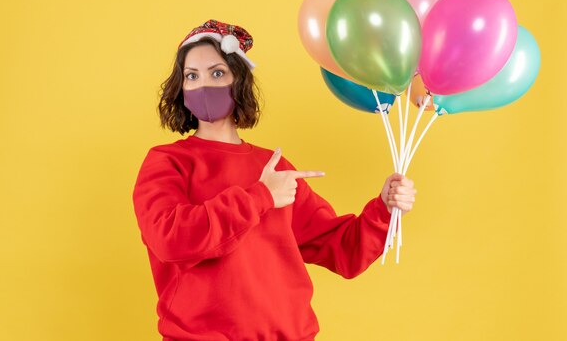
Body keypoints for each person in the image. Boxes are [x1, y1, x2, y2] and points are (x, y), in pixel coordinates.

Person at [132, 19, 417, 341]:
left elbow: (343, 251)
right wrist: (260, 197)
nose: (203, 85)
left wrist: (384, 209)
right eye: (191, 76)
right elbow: (171, 238)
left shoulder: (273, 167)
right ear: (180, 89)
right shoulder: (167, 161)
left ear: (238, 80)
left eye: (217, 73)